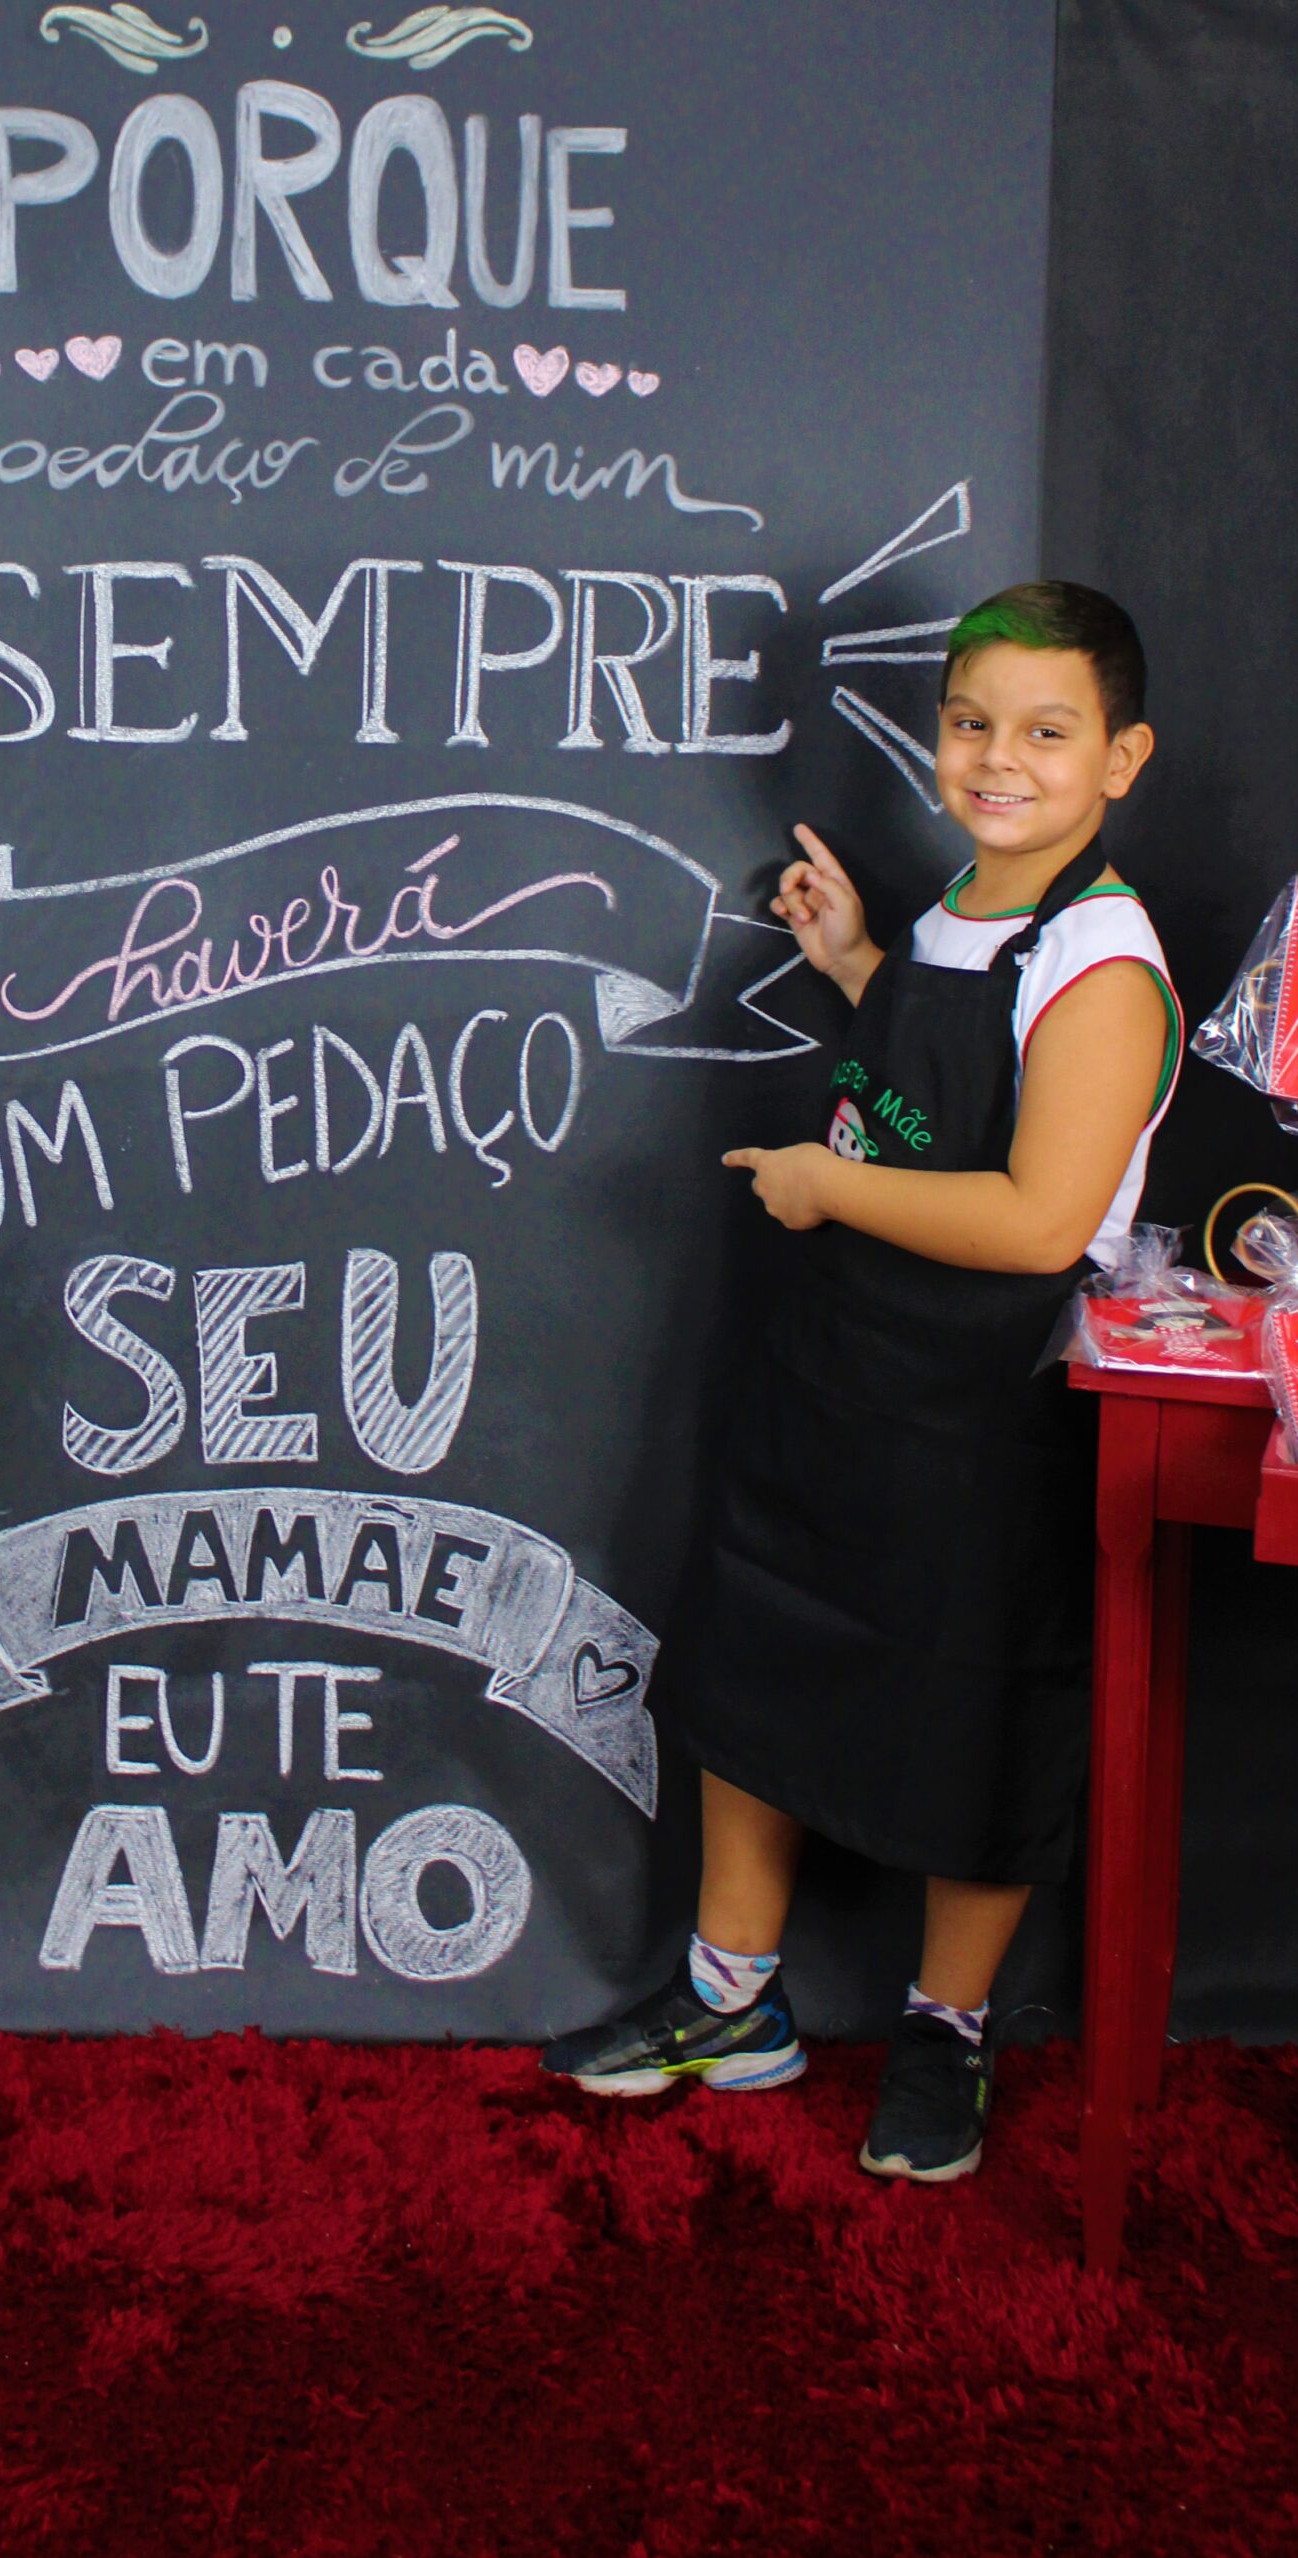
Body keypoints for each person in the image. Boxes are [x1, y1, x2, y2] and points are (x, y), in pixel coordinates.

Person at [543, 582, 1176, 2184]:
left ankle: (947, 2033)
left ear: (1122, 758)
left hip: (985, 1414)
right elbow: (941, 1074)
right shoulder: (963, 913)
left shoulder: (1103, 961)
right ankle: (729, 2001)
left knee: (974, 1722)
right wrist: (858, 968)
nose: (998, 759)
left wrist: (825, 1184)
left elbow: (1038, 1221)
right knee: (760, 1666)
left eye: (1047, 732)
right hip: (842, 1380)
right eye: (972, 725)